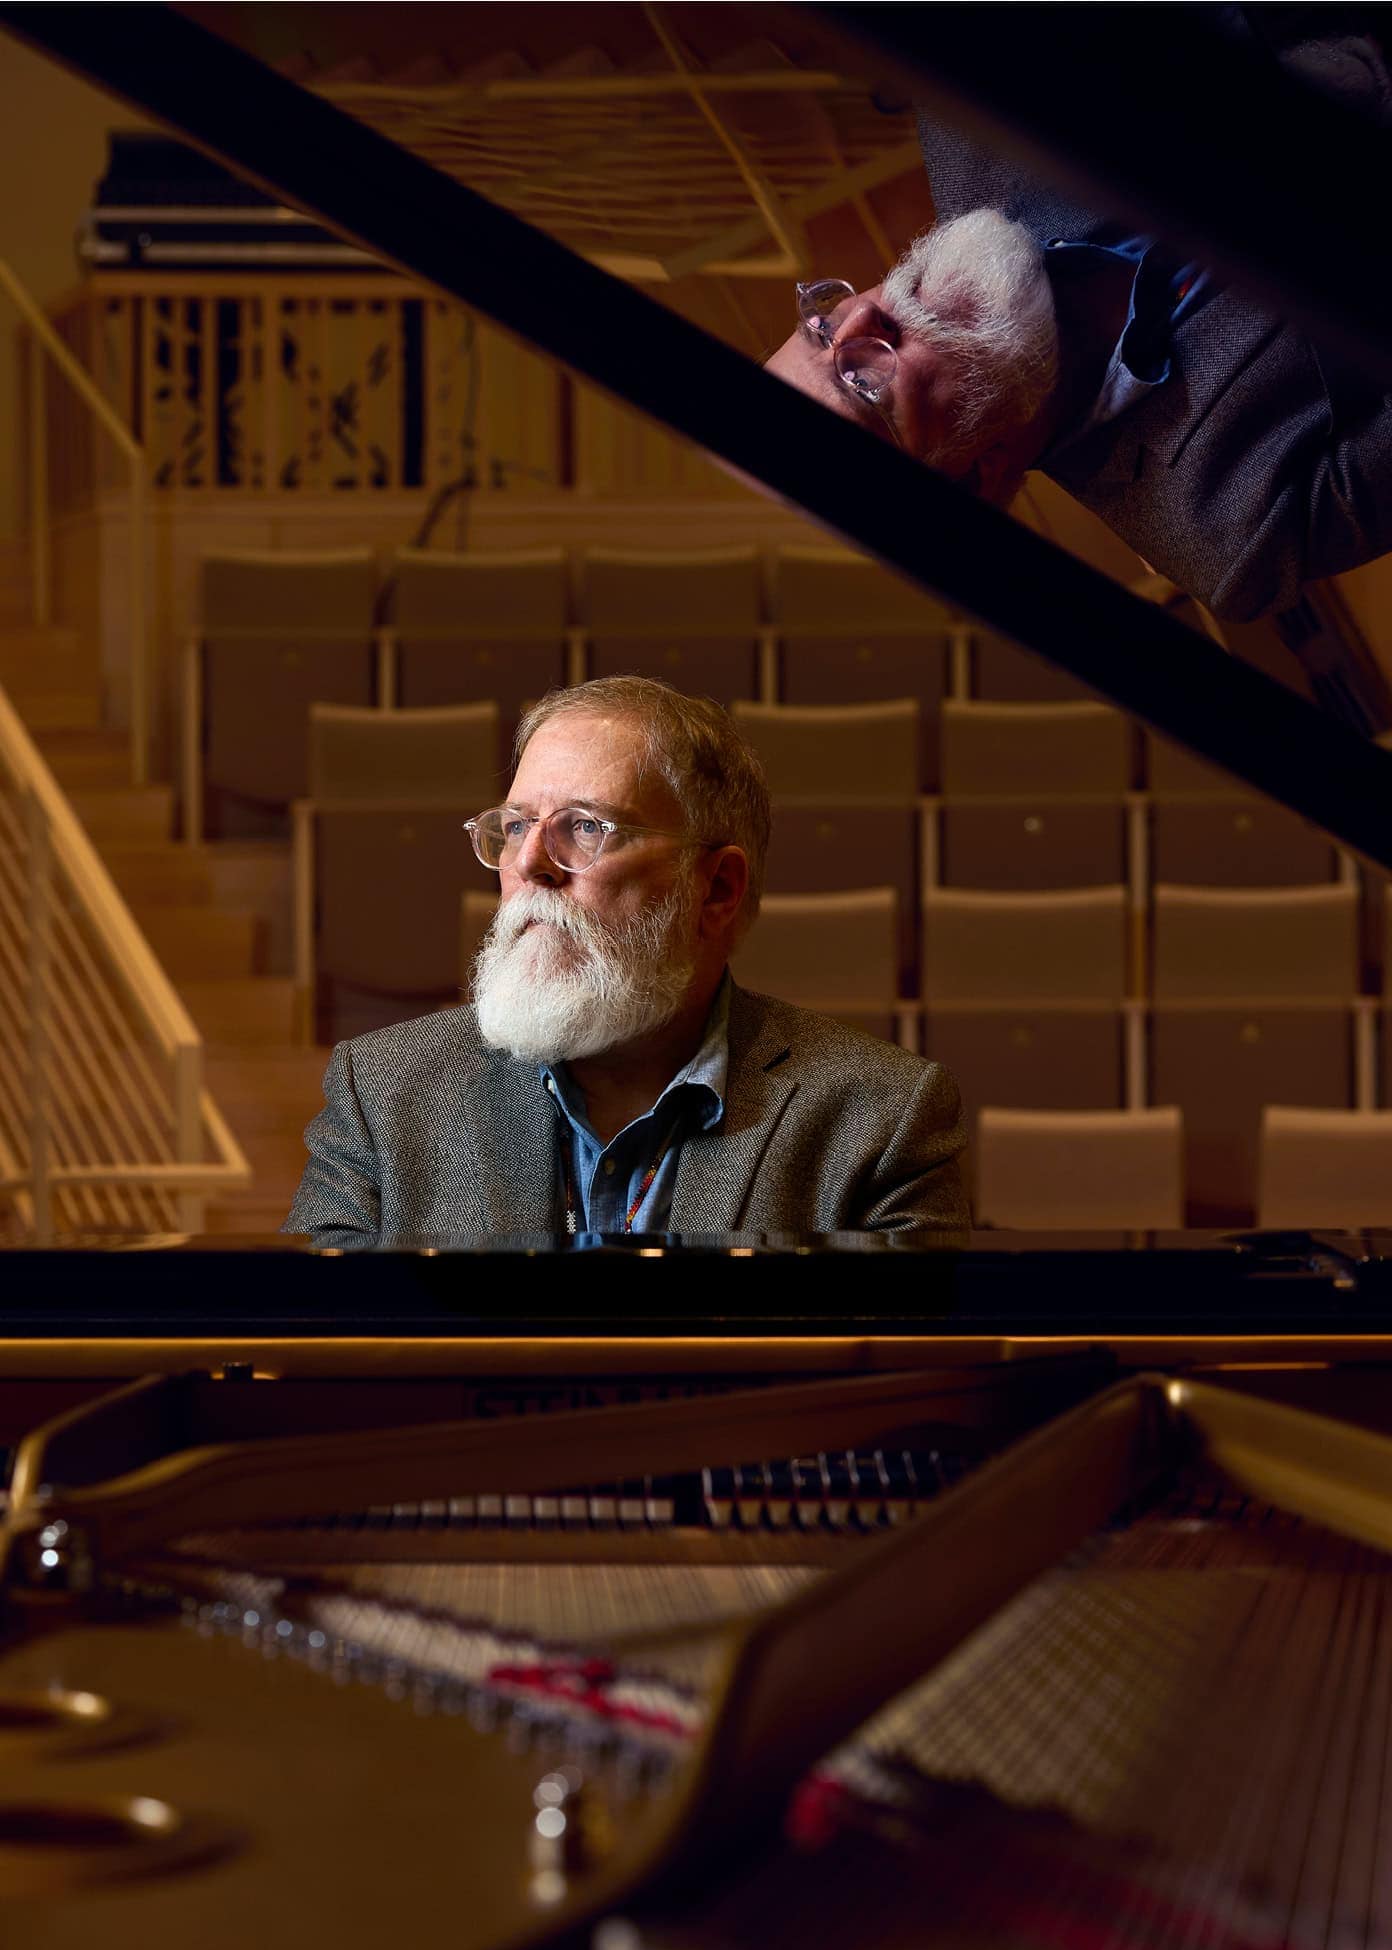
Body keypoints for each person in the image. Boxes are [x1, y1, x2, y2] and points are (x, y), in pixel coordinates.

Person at [284, 677, 967, 1246]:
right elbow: (309, 1368)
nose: (528, 865)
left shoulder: (880, 1118)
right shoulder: (382, 1092)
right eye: (518, 825)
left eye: (585, 827)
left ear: (718, 888)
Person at [764, 9, 1392, 624]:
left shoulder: (974, 100)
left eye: (818, 327)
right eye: (861, 386)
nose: (862, 315)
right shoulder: (1235, 535)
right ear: (978, 474)